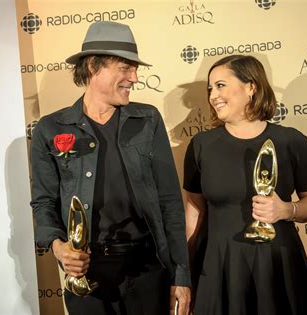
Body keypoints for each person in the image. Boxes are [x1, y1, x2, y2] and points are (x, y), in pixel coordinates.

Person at [30, 21, 191, 315]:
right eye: (125, 68)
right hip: (87, 274)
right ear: (93, 66)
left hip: (148, 269)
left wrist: (181, 276)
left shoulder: (148, 120)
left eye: (134, 69)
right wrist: (58, 248)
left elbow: (170, 203)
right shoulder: (50, 128)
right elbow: (43, 203)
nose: (135, 77)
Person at [184, 55, 307, 314]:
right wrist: (184, 272)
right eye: (210, 88)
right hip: (220, 267)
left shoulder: (291, 141)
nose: (212, 95)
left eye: (220, 85)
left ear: (251, 87)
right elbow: (194, 212)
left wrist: (287, 210)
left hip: (277, 264)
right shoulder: (201, 146)